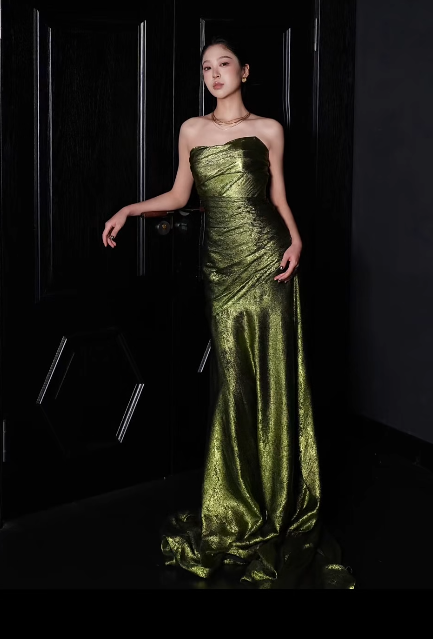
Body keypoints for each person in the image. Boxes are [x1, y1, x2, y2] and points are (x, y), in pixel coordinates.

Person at [102, 37, 355, 589]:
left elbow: (278, 196)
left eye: (224, 65)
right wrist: (130, 208)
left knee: (274, 375)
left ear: (244, 71)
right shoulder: (192, 130)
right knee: (235, 383)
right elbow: (178, 195)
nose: (214, 74)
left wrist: (296, 241)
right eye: (206, 68)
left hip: (267, 257)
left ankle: (279, 499)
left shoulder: (269, 130)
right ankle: (235, 504)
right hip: (221, 269)